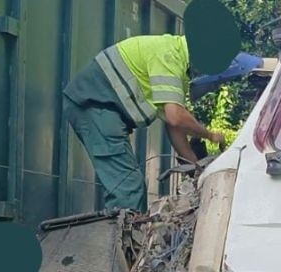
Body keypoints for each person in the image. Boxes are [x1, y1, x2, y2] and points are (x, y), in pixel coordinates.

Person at [63, 33, 225, 213]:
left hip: (98, 105)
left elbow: (174, 126)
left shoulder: (176, 60)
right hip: (94, 104)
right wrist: (210, 135)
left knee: (130, 185)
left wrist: (196, 169)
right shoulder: (168, 56)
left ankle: (124, 227)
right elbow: (176, 116)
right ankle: (118, 230)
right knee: (128, 188)